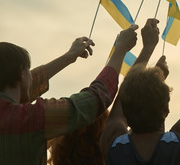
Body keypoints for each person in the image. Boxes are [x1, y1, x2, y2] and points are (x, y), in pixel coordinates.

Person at [0, 25, 138, 165]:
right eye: (28, 71)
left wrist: (69, 57)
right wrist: (120, 49)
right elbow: (95, 99)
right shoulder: (33, 118)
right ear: (22, 76)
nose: (31, 76)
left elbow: (27, 82)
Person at [100, 5, 180, 165]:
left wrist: (148, 48)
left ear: (126, 113)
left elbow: (126, 95)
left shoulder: (111, 144)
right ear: (166, 110)